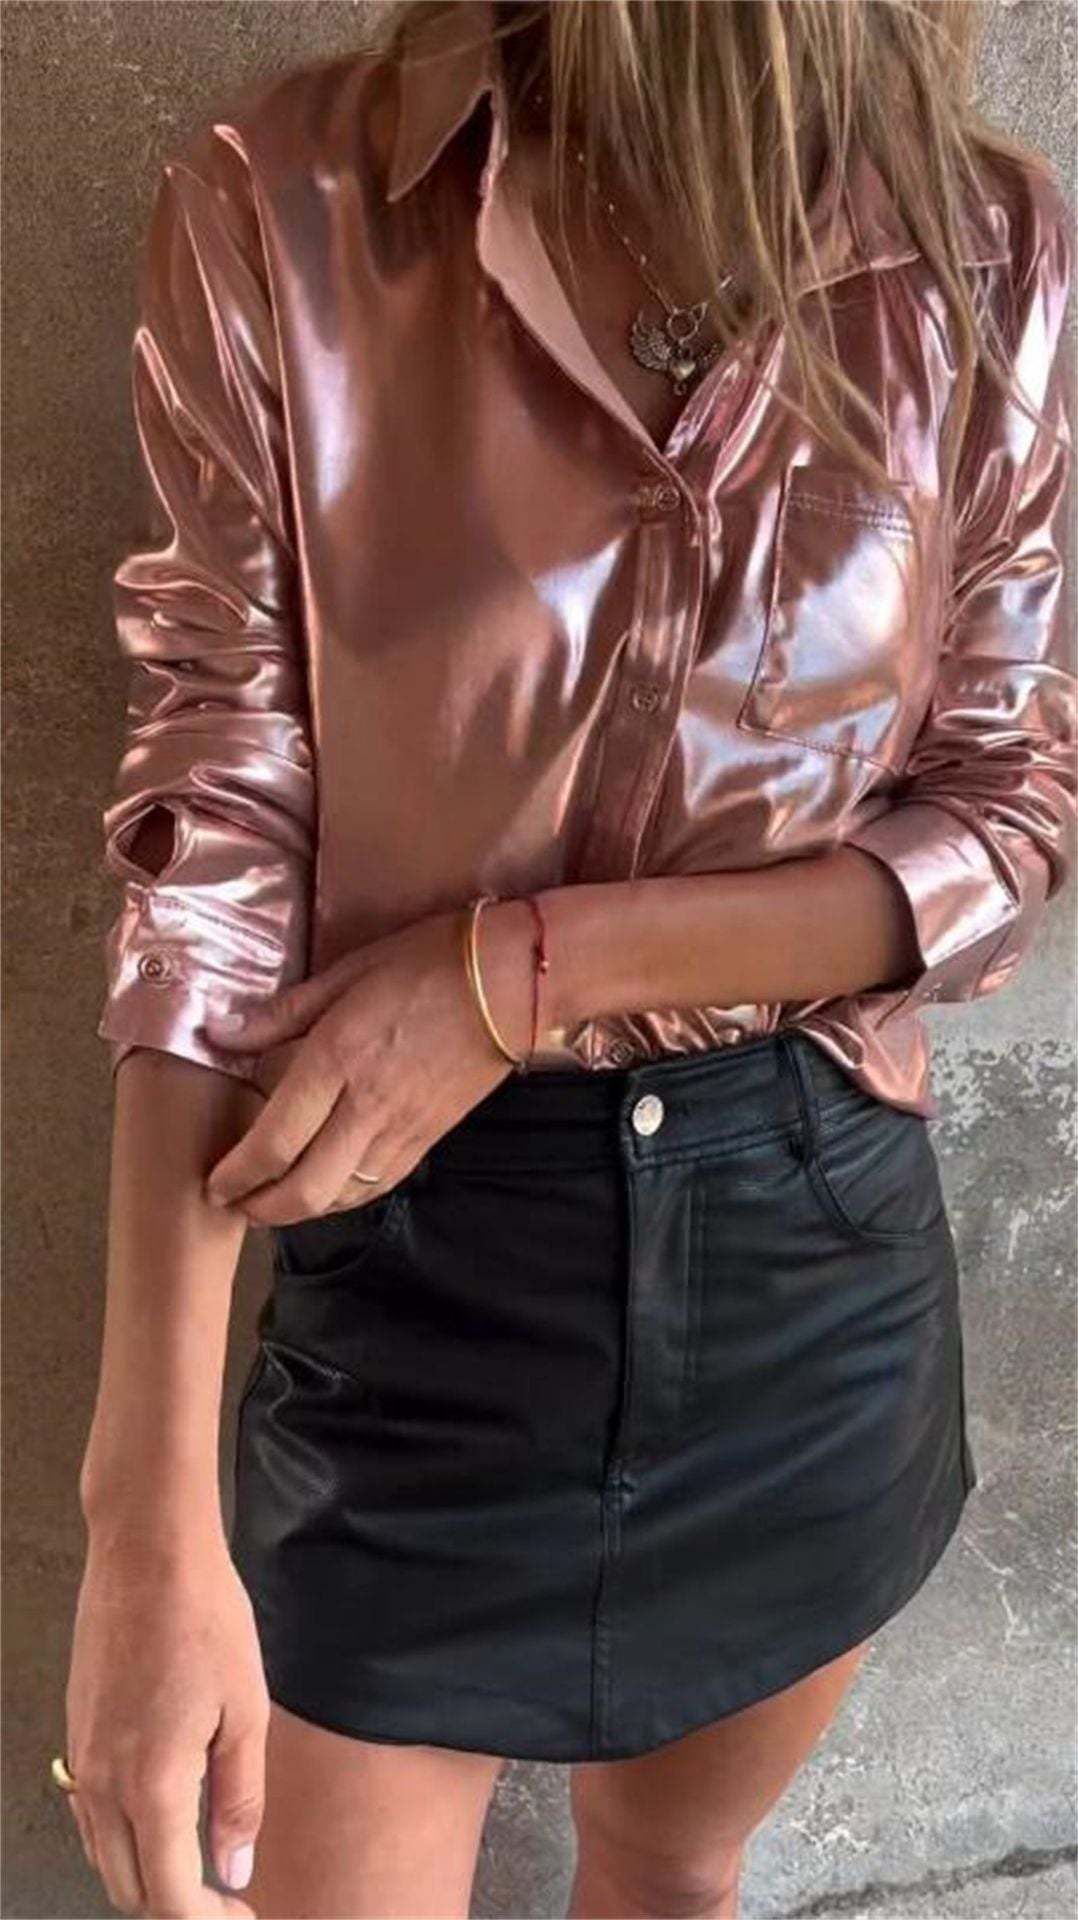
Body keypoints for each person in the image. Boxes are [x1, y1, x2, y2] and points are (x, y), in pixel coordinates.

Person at [60, 1, 1074, 1915]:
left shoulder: (983, 246)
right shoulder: (291, 208)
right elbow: (213, 848)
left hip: (802, 1254)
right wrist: (146, 1524)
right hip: (417, 1264)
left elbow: (1003, 814)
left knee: (676, 1878)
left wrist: (515, 970)